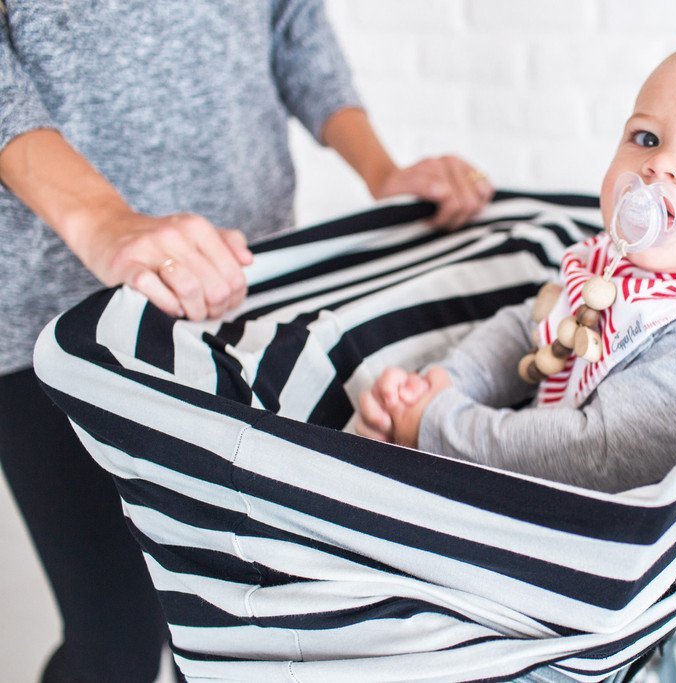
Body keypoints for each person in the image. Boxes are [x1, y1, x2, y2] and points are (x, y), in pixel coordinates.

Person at [0, 2, 492, 681]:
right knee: (115, 644)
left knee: (241, 635)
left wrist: (383, 172)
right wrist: (103, 221)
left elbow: (291, 20)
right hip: (53, 321)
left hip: (245, 303)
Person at [356, 37, 676, 495]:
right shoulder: (629, 263)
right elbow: (533, 329)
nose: (660, 164)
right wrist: (446, 382)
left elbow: (594, 453)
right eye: (647, 137)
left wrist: (438, 425)